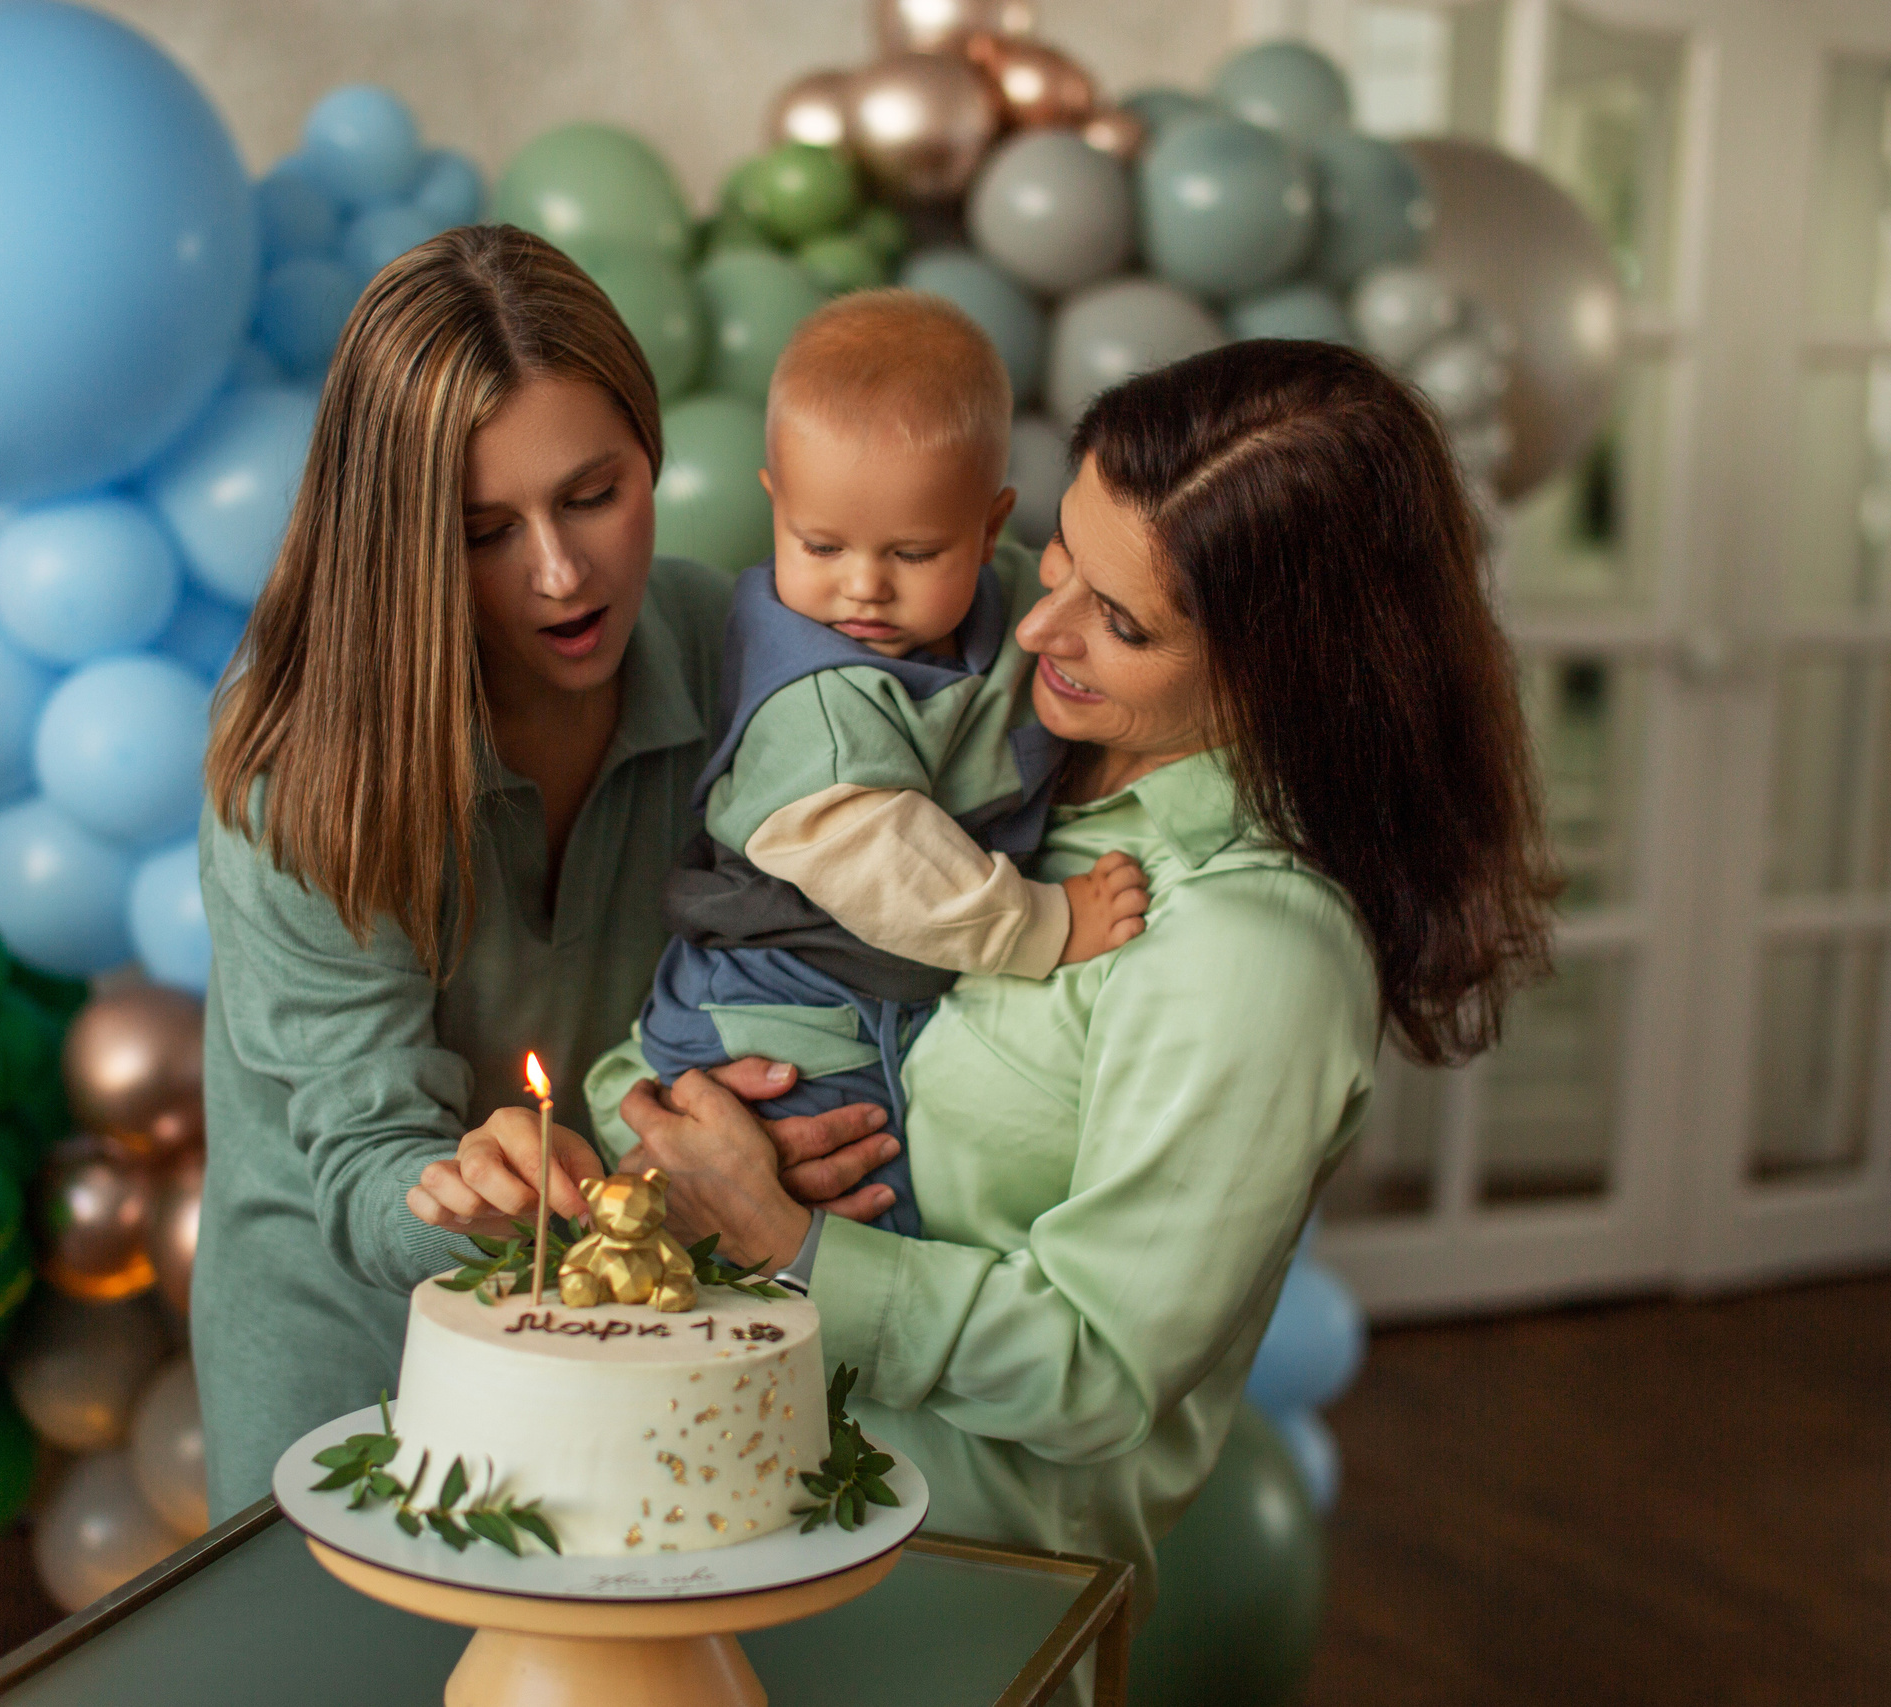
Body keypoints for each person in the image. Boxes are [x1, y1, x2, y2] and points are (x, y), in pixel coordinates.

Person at [419, 338, 1559, 1625]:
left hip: (944, 1586)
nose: (1035, 625)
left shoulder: (1251, 951)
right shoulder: (997, 741)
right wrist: (671, 1143)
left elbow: (1099, 1373)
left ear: (1281, 666)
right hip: (723, 1497)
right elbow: (751, 982)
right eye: (1061, 559)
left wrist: (791, 1242)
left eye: (1118, 622)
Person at [190, 226, 889, 1521]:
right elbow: (362, 1165)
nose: (561, 574)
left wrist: (775, 1122)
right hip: (352, 1347)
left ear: (653, 454)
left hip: (648, 1320)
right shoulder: (296, 760)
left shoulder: (750, 658)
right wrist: (477, 1194)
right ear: (398, 537)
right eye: (482, 529)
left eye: (591, 493)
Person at [592, 290, 1151, 1240]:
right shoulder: (816, 703)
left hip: (870, 988)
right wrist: (1046, 922)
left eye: (914, 551)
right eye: (820, 545)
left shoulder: (1008, 599)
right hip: (783, 1016)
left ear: (990, 527)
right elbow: (898, 874)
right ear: (776, 504)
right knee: (858, 1195)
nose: (862, 585)